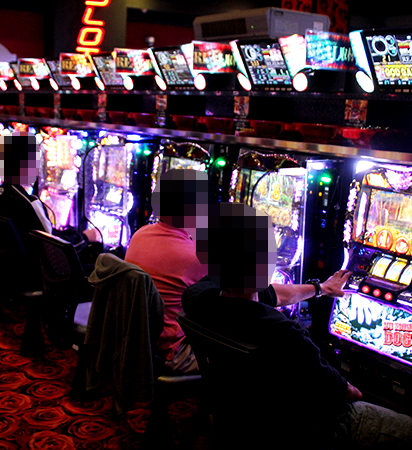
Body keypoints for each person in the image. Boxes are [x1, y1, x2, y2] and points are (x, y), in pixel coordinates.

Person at [181, 202, 412, 449]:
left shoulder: (197, 299)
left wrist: (321, 288)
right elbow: (346, 393)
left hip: (240, 416)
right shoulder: (284, 334)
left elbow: (271, 294)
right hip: (309, 427)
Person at [125, 169, 361, 374]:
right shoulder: (193, 257)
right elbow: (261, 292)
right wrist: (321, 288)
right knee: (271, 356)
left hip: (141, 340)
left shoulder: (141, 234)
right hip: (176, 352)